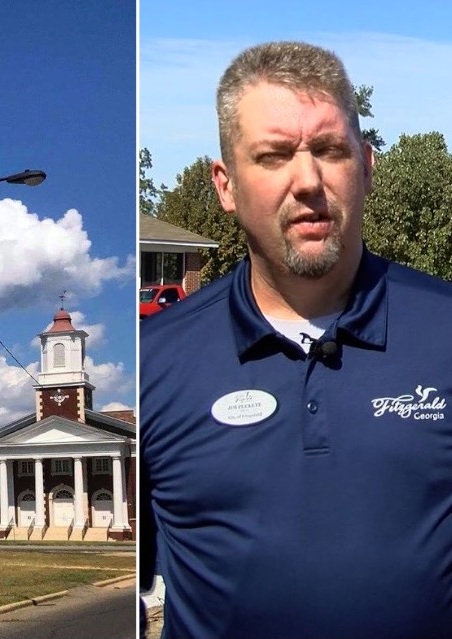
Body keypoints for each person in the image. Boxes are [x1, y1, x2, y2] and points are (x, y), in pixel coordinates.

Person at [141, 41, 452, 638]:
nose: (307, 180)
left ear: (365, 165)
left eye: (330, 151)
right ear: (226, 185)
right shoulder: (158, 361)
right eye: (275, 155)